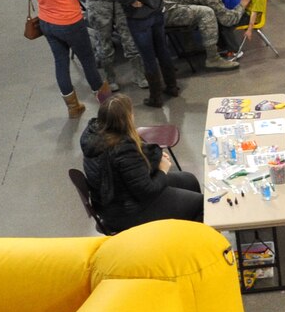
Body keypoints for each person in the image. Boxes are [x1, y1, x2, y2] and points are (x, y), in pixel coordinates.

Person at [79, 94, 204, 231]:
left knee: (189, 180)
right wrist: (162, 169)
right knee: (201, 204)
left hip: (118, 200)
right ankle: (191, 243)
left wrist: (156, 156)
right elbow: (147, 191)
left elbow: (131, 167)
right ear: (125, 119)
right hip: (127, 211)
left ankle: (186, 228)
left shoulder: (96, 135)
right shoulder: (121, 148)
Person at [26, 0, 107, 117]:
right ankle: (106, 102)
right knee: (88, 61)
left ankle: (73, 107)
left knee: (60, 63)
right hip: (71, 24)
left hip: (47, 23)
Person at [113, 0, 177, 107]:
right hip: (157, 12)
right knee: (163, 50)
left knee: (148, 56)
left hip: (140, 19)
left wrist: (132, 1)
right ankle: (172, 86)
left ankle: (155, 97)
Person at [161, 0, 242, 70]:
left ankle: (189, 46)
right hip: (166, 13)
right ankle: (213, 59)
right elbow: (227, 19)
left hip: (158, 5)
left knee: (189, 2)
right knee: (207, 13)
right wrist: (243, 4)